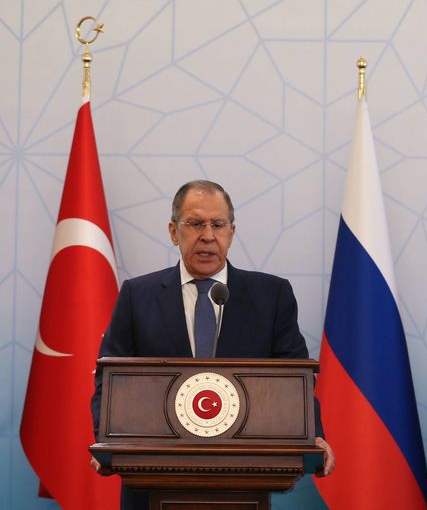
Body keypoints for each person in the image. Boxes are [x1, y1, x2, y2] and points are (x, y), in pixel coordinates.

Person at [90, 180, 334, 510]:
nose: (207, 235)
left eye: (217, 224)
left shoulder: (271, 296)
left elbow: (295, 379)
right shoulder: (138, 295)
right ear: (174, 231)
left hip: (242, 480)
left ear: (231, 232)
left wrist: (313, 435)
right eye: (194, 223)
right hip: (150, 483)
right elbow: (110, 377)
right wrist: (108, 440)